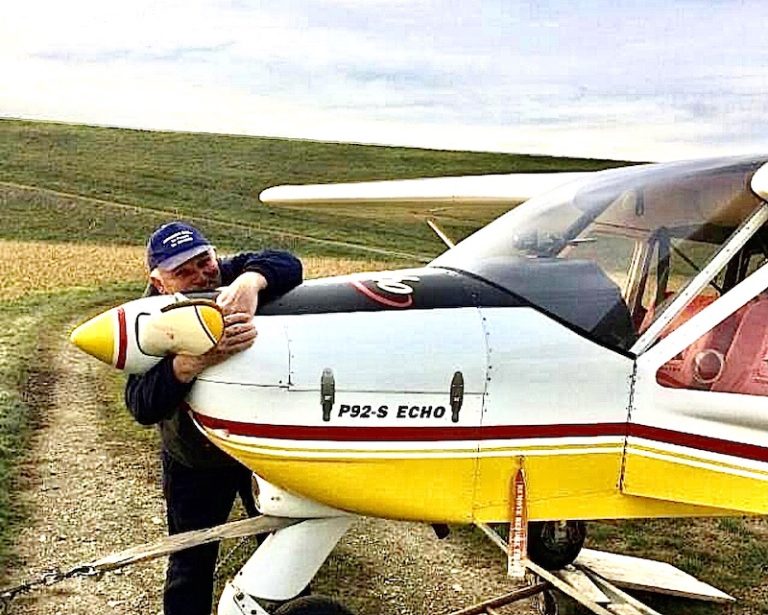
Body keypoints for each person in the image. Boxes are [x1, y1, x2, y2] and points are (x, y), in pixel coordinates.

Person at [125, 221, 303, 615]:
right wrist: (187, 365)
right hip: (194, 458)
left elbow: (289, 263)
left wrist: (250, 282)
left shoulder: (232, 273)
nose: (200, 275)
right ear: (158, 282)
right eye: (182, 272)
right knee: (191, 560)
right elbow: (140, 404)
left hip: (260, 454)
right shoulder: (148, 319)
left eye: (203, 261)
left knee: (281, 547)